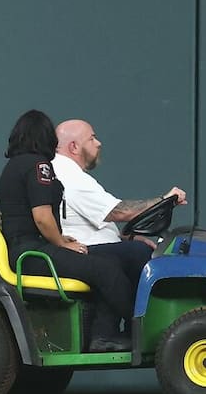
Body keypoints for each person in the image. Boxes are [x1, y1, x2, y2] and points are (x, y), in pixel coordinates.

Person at [0, 110, 132, 352]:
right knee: (107, 268)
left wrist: (61, 240)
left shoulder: (13, 167)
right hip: (33, 254)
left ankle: (104, 334)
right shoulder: (38, 166)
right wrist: (61, 243)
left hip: (26, 250)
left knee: (108, 260)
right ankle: (133, 326)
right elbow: (41, 217)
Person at [52, 119, 188, 287]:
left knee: (138, 247)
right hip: (81, 250)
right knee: (139, 253)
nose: (98, 143)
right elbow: (119, 212)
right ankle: (142, 312)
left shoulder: (67, 172)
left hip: (90, 247)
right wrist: (164, 200)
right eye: (92, 139)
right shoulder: (70, 176)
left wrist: (126, 237)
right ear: (74, 147)